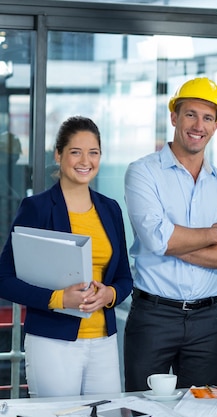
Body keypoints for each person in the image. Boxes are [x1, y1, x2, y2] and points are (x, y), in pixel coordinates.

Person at [123, 77, 217, 391]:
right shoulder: (142, 172)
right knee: (143, 409)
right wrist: (210, 235)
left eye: (208, 118)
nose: (199, 125)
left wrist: (171, 242)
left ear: (216, 126)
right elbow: (157, 239)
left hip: (207, 320)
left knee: (202, 411)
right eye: (191, 114)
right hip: (153, 316)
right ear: (174, 117)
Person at [0, 116, 133, 397]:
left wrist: (109, 293)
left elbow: (124, 277)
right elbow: (5, 279)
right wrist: (59, 299)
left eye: (93, 152)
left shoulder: (110, 209)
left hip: (104, 341)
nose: (85, 160)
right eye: (76, 151)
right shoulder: (37, 208)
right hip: (53, 341)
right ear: (58, 154)